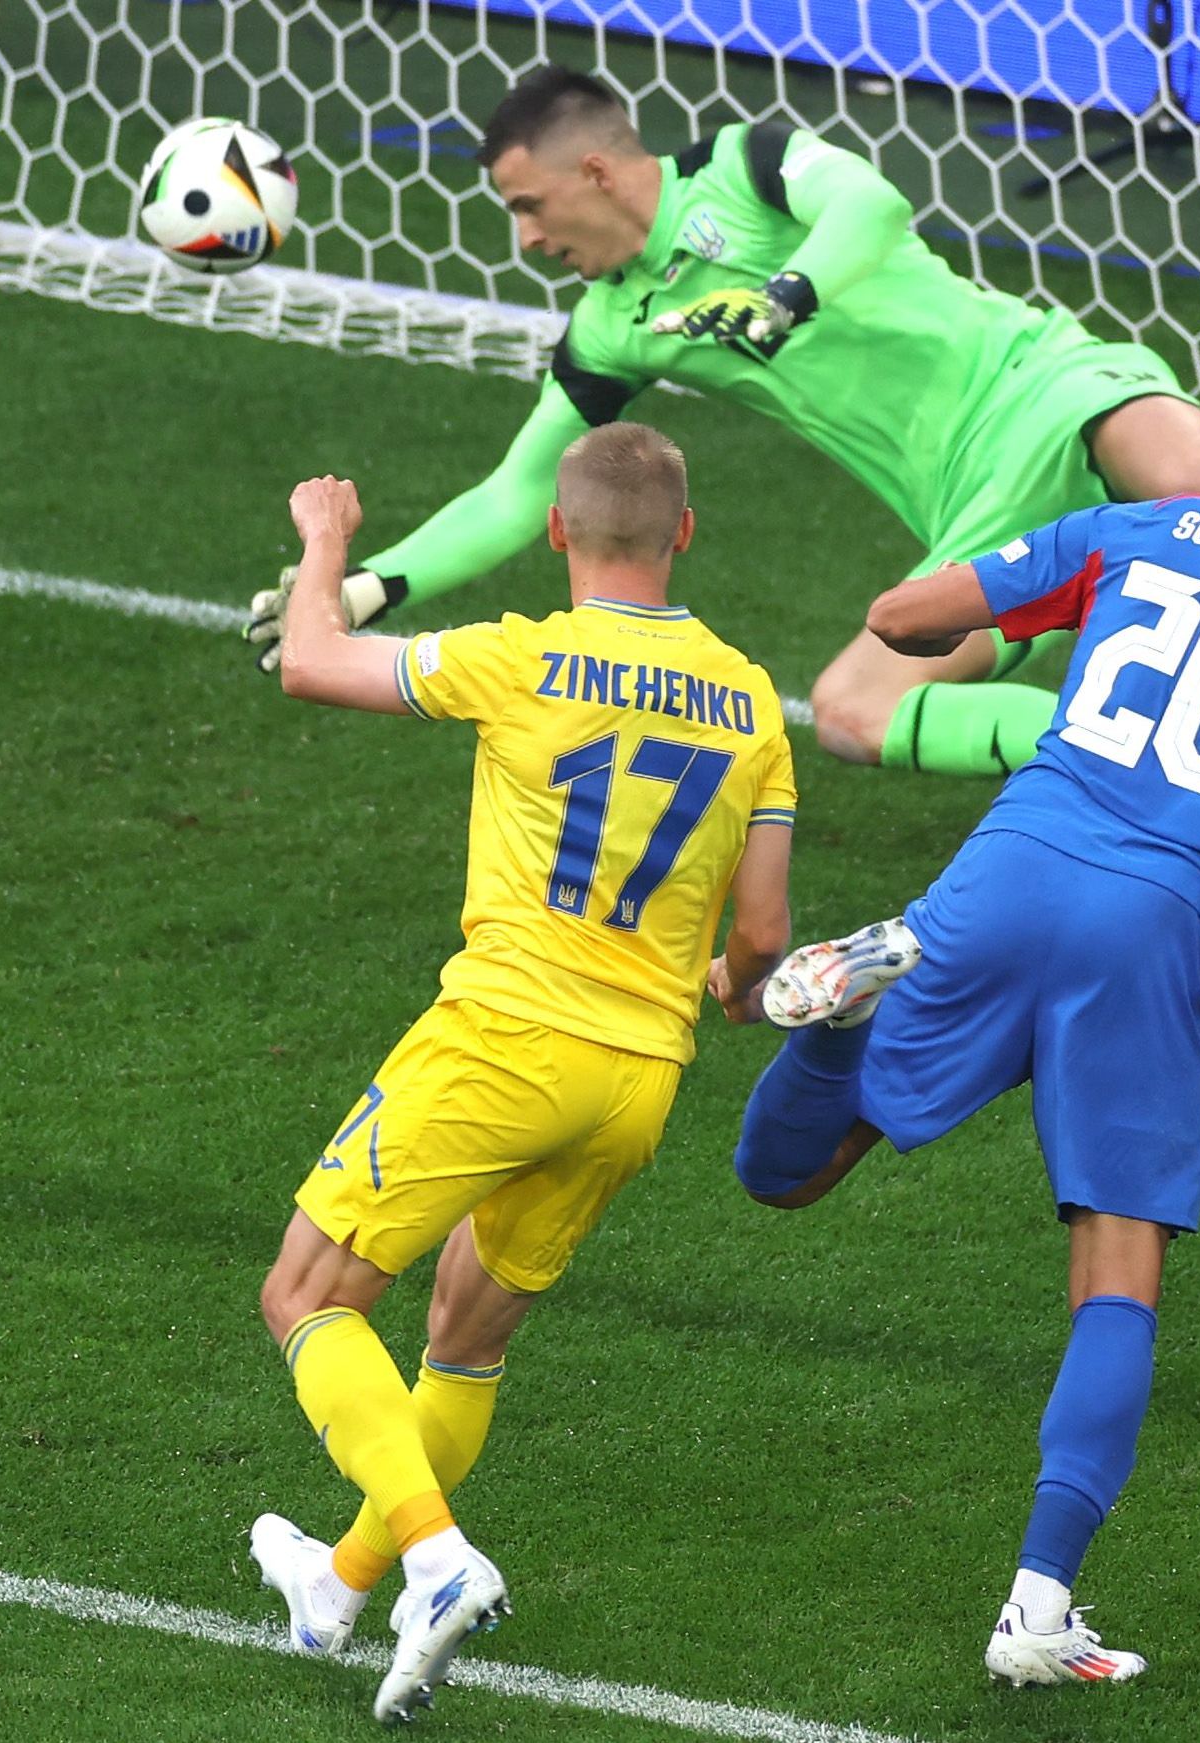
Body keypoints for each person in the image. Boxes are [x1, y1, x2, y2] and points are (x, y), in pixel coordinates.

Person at [246, 64, 1200, 797]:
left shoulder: (745, 170)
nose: (527, 238)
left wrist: (790, 291)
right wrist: (365, 583)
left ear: (597, 167)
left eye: (531, 205)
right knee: (851, 711)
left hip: (1042, 376)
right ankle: (1121, 754)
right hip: (974, 504)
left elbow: (874, 205)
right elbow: (516, 486)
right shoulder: (614, 325)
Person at [723, 350, 1200, 1685]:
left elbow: (907, 615)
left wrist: (1025, 599)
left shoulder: (1128, 533)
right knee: (1118, 1265)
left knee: (787, 1177)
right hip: (1153, 928)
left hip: (1010, 866)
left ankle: (844, 1013)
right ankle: (1037, 1610)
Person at [249, 423, 798, 1723]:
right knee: (466, 1333)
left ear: (557, 532)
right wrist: (729, 984)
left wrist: (327, 538)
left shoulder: (526, 657)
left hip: (504, 1036)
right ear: (685, 534)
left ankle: (434, 1560)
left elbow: (311, 660)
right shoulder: (756, 700)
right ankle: (340, 1584)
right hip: (637, 1083)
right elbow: (764, 945)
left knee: (308, 1294)